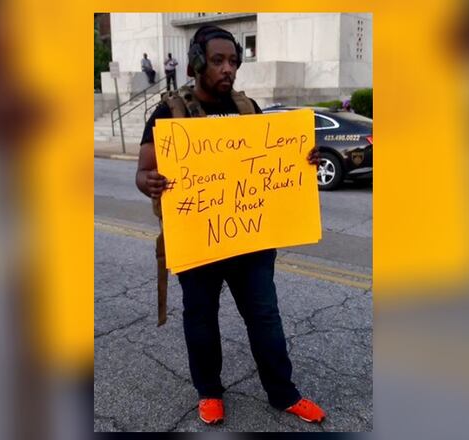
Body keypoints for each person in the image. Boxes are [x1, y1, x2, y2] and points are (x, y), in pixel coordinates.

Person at [135, 25, 326, 426]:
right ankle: (209, 392)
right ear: (197, 64)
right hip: (198, 242)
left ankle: (284, 393)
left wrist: (302, 159)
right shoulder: (168, 111)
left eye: (234, 62)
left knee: (265, 317)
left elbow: (276, 157)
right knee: (201, 319)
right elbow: (143, 171)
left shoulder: (248, 108)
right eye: (219, 61)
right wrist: (148, 181)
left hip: (250, 242)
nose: (228, 70)